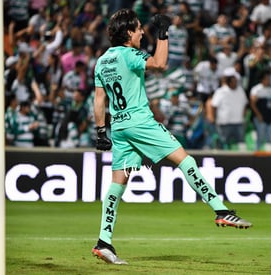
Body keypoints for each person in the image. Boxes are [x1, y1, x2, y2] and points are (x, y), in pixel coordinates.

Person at [91, 9, 252, 265]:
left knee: (117, 183)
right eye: (139, 29)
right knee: (185, 161)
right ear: (129, 32)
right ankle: (221, 210)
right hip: (141, 122)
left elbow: (99, 99)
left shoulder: (102, 61)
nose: (143, 32)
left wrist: (101, 131)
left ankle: (103, 241)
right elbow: (160, 64)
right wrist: (163, 34)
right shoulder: (129, 54)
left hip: (119, 126)